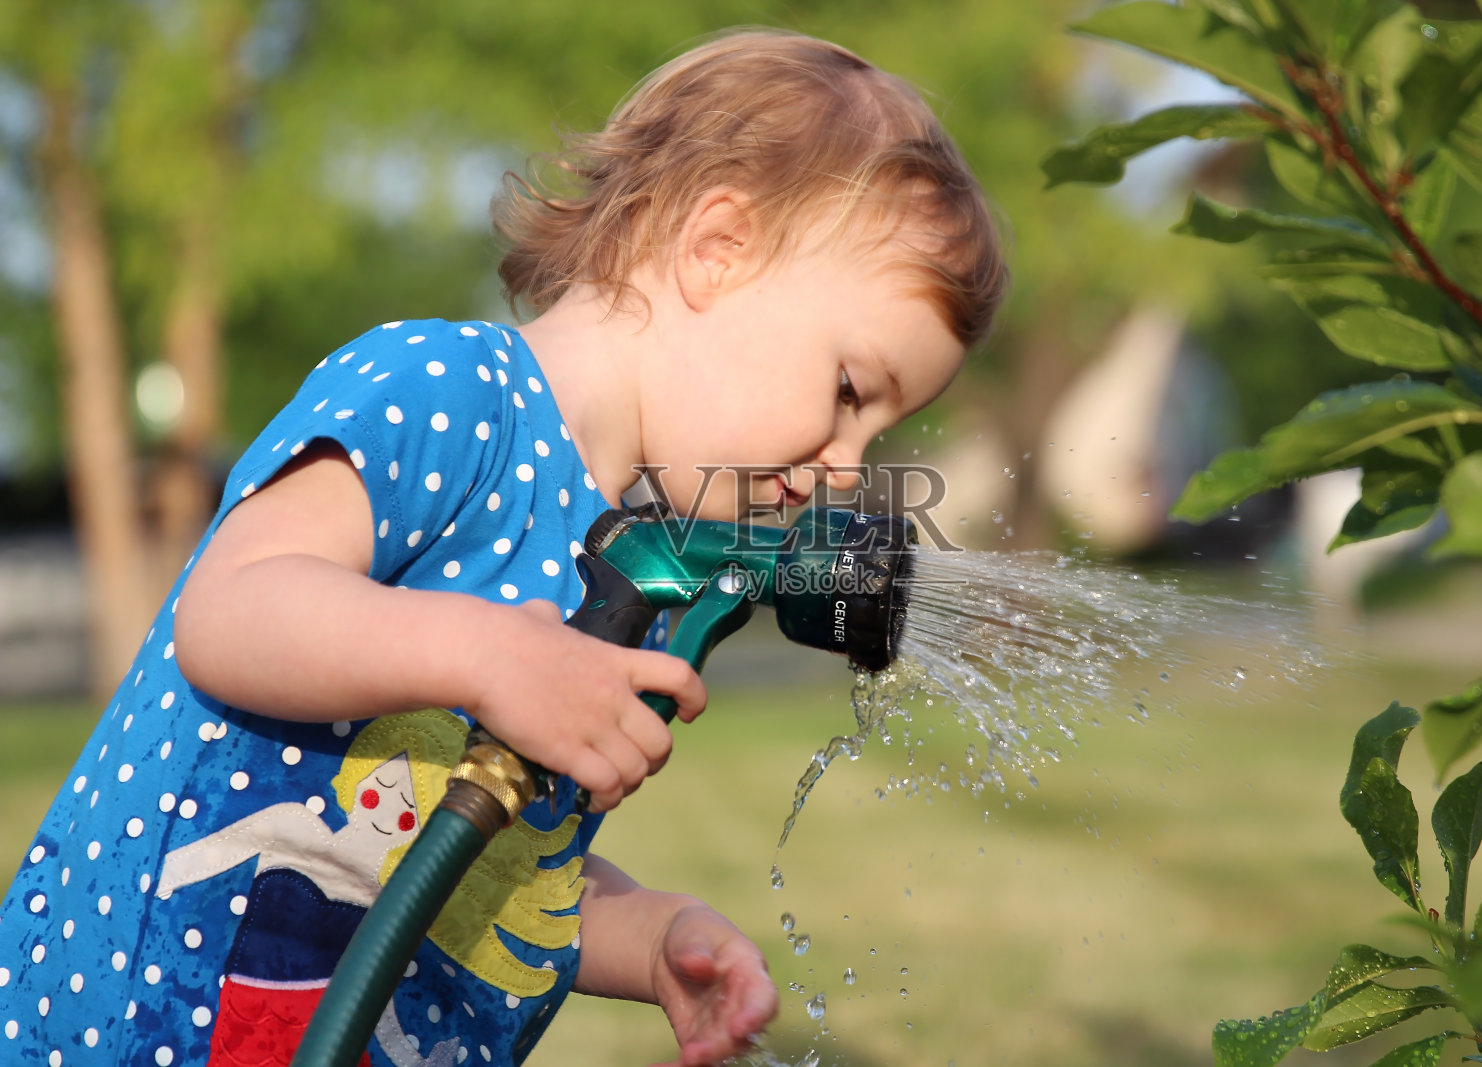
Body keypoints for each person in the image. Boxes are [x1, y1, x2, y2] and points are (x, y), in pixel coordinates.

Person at [0, 27, 1006, 1067]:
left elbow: (494, 850)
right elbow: (231, 611)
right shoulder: (449, 395)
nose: (847, 466)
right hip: (129, 1028)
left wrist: (652, 936)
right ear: (718, 249)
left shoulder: (629, 571)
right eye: (848, 391)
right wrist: (489, 655)